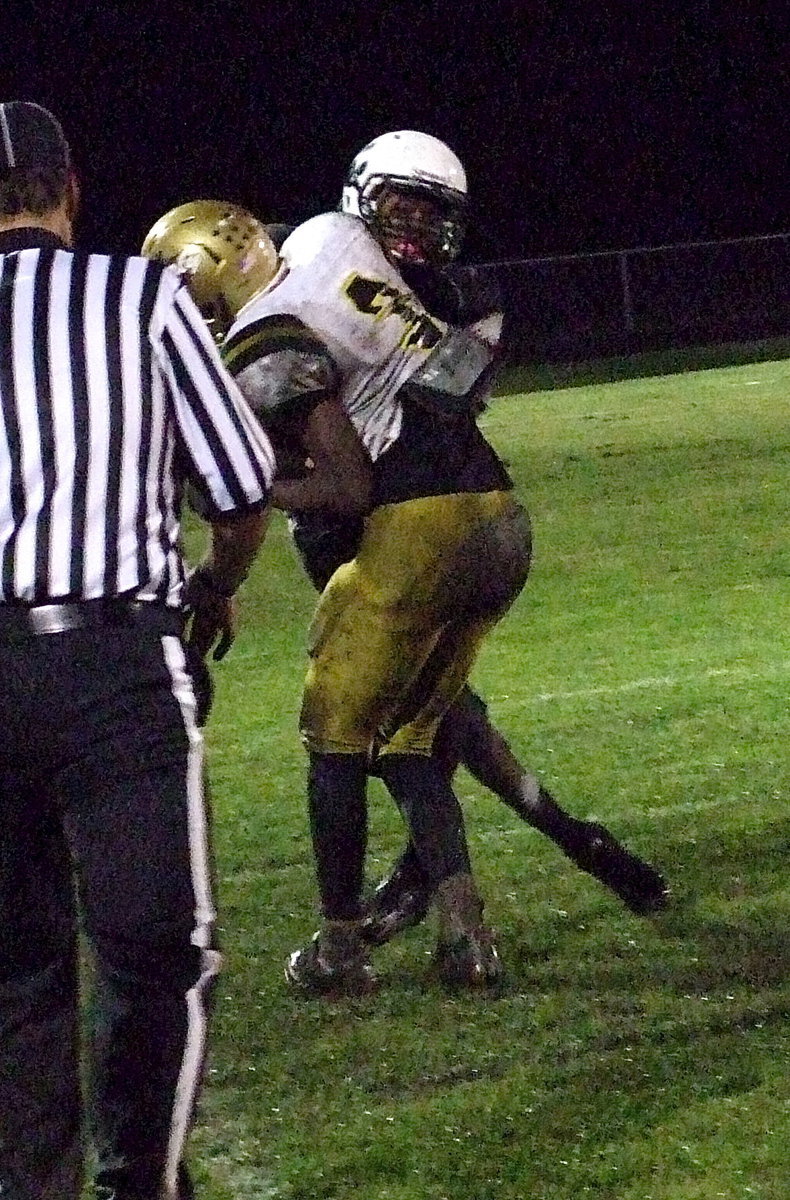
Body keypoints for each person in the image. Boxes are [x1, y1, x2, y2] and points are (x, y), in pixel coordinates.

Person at [0, 103, 277, 1200]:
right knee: (156, 952)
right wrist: (214, 586)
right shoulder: (142, 296)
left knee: (16, 972)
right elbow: (240, 488)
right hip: (112, 667)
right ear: (70, 189)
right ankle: (136, 1181)